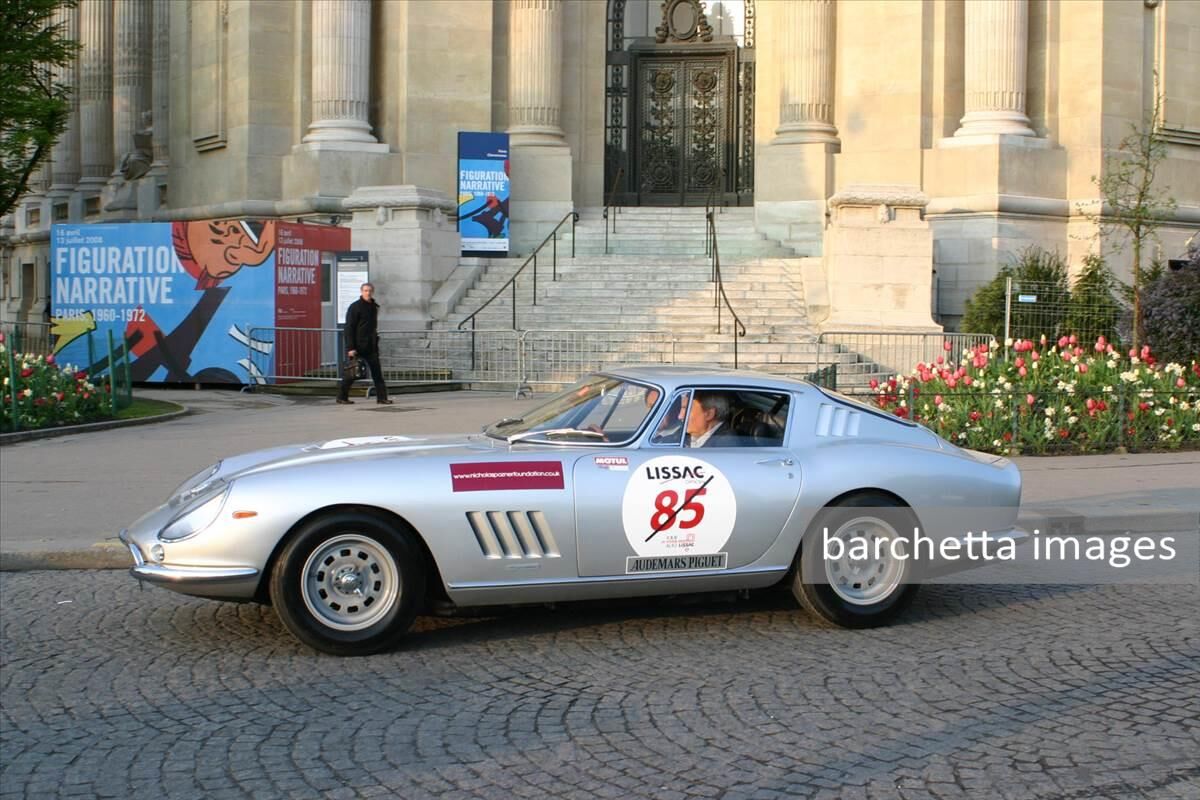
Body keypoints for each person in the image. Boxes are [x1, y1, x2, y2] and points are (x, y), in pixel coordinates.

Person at [337, 283, 392, 405]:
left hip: (371, 346)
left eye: (370, 290)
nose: (368, 293)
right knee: (351, 374)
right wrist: (350, 347)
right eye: (366, 290)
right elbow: (349, 328)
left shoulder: (373, 306)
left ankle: (382, 398)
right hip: (358, 346)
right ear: (361, 291)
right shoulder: (355, 307)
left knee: (377, 373)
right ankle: (342, 397)